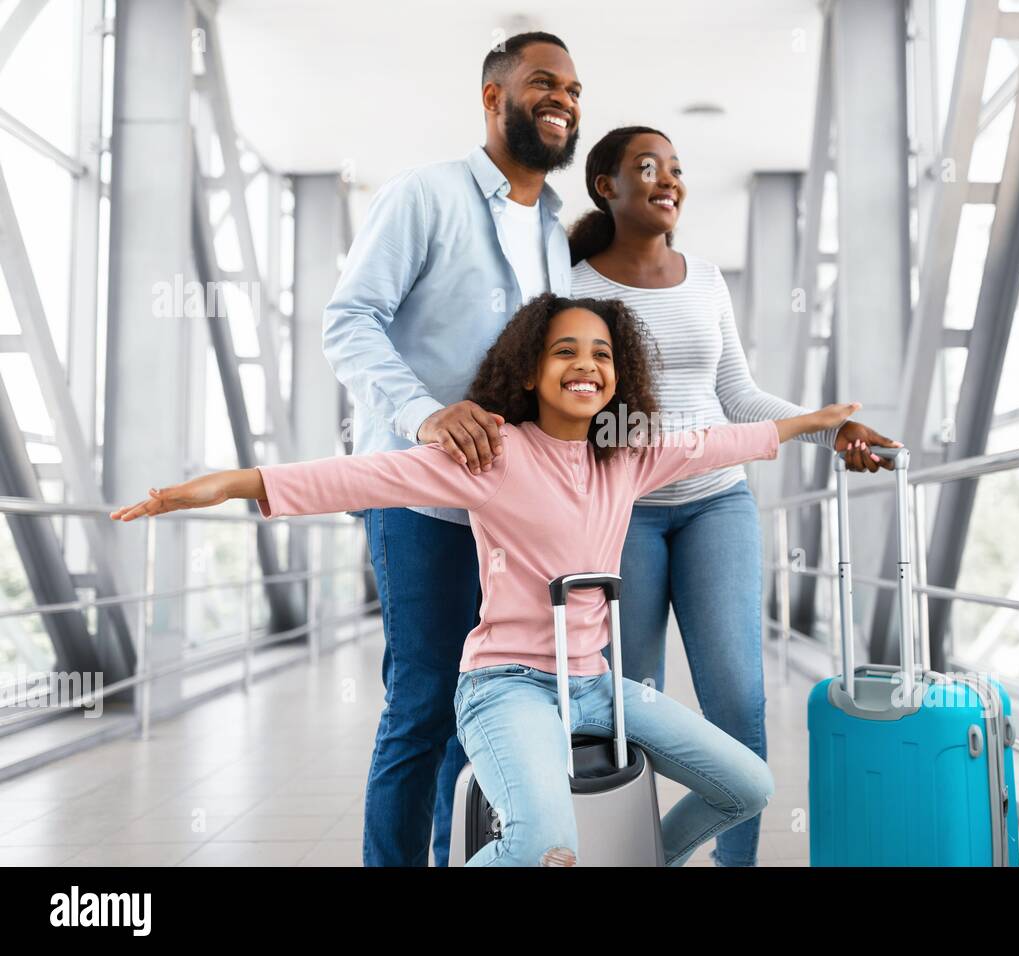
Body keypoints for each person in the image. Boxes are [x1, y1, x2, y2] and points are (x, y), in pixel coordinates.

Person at [109, 294, 877, 866]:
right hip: (505, 684)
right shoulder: (492, 454)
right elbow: (349, 477)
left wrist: (817, 422)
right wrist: (210, 488)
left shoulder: (629, 454)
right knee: (544, 843)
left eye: (603, 354)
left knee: (747, 787)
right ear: (531, 369)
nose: (587, 366)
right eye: (566, 351)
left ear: (621, 375)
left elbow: (723, 439)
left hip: (598, 685)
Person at [568, 126, 899, 865]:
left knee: (738, 706)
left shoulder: (707, 279)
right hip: (624, 516)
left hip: (717, 505)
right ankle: (634, 854)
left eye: (678, 170)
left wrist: (832, 429)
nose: (669, 181)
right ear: (605, 187)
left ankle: (733, 861)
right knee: (630, 705)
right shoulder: (576, 287)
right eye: (648, 168)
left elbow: (737, 396)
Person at [319, 31, 582, 866]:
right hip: (422, 500)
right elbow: (348, 319)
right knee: (425, 702)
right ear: (492, 95)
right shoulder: (423, 196)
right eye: (544, 83)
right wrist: (425, 413)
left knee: (488, 706)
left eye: (575, 90)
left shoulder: (555, 233)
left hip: (515, 515)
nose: (564, 99)